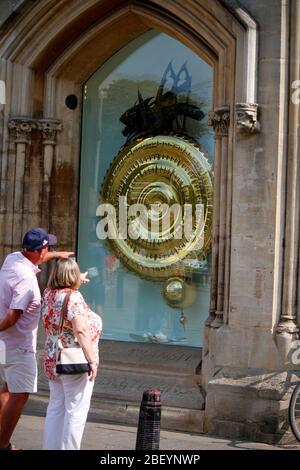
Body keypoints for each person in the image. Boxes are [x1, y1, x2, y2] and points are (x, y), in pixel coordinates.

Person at [0, 227, 74, 451]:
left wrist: (57, 254)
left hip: (5, 344)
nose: (49, 251)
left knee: (7, 389)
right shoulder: (27, 283)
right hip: (19, 347)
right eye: (47, 248)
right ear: (39, 251)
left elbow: (39, 253)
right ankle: (3, 445)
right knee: (20, 395)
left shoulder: (12, 259)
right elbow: (13, 316)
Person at [42, 258, 102, 450]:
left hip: (53, 355)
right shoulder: (74, 297)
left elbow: (64, 297)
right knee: (76, 411)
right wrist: (91, 360)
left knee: (56, 407)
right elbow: (81, 331)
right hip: (73, 357)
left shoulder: (49, 293)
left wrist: (77, 278)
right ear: (72, 277)